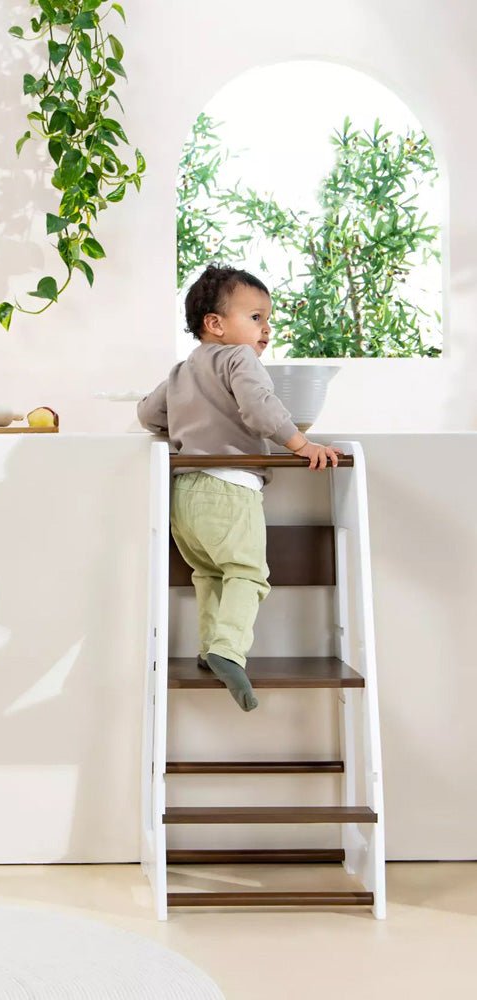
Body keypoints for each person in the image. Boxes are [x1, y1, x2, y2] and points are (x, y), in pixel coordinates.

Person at [137, 264, 343, 712]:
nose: (266, 329)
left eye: (267, 320)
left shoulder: (182, 370)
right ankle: (229, 650)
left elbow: (148, 415)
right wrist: (301, 444)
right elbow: (261, 408)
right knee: (247, 573)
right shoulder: (239, 359)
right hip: (230, 488)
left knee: (210, 573)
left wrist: (191, 425)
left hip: (184, 495)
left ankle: (211, 647)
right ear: (215, 323)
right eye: (255, 317)